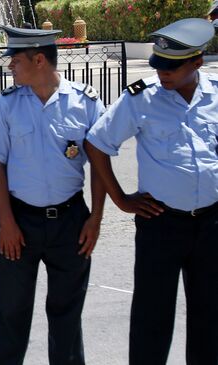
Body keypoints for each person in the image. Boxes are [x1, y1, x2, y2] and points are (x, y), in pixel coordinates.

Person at [85, 18, 218, 365]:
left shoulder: (216, 96)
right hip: (161, 224)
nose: (163, 73)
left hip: (212, 225)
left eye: (172, 67)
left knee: (211, 318)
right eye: (159, 64)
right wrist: (120, 198)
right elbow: (97, 143)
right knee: (152, 318)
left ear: (197, 62)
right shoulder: (141, 99)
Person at [0, 26, 106, 364]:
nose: (9, 66)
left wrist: (95, 219)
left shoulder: (84, 102)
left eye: (15, 60)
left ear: (39, 59)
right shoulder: (7, 106)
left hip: (71, 222)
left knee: (66, 316)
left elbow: (100, 166)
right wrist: (7, 223)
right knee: (11, 314)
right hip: (19, 222)